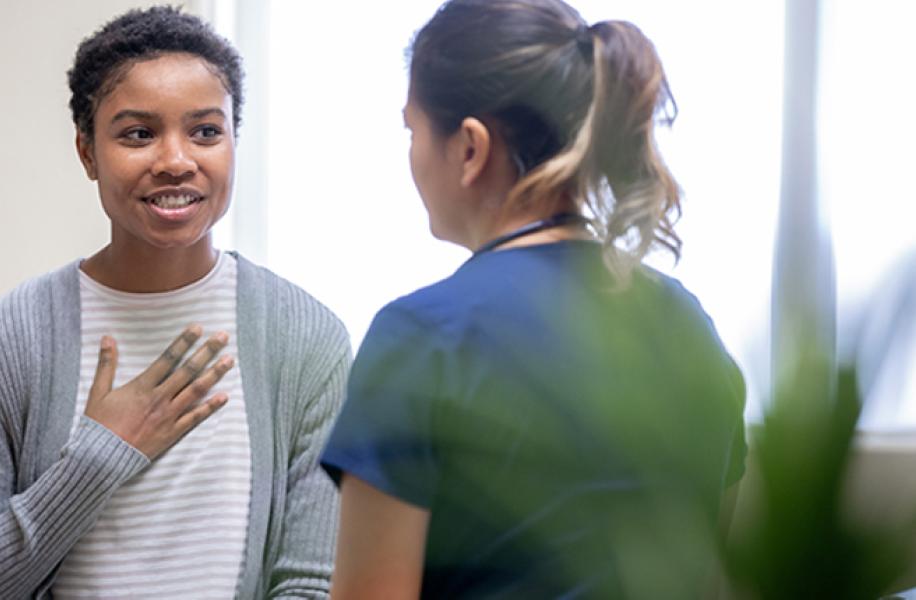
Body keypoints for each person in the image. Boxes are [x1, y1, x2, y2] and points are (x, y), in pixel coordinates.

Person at [0, 7, 350, 599]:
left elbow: (311, 586)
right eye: (138, 133)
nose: (175, 160)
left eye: (206, 131)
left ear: (233, 143)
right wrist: (95, 461)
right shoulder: (10, 340)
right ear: (88, 153)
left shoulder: (306, 339)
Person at [320, 0, 747, 597]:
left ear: (470, 147)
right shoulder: (687, 322)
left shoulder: (420, 336)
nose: (412, 156)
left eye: (412, 131)